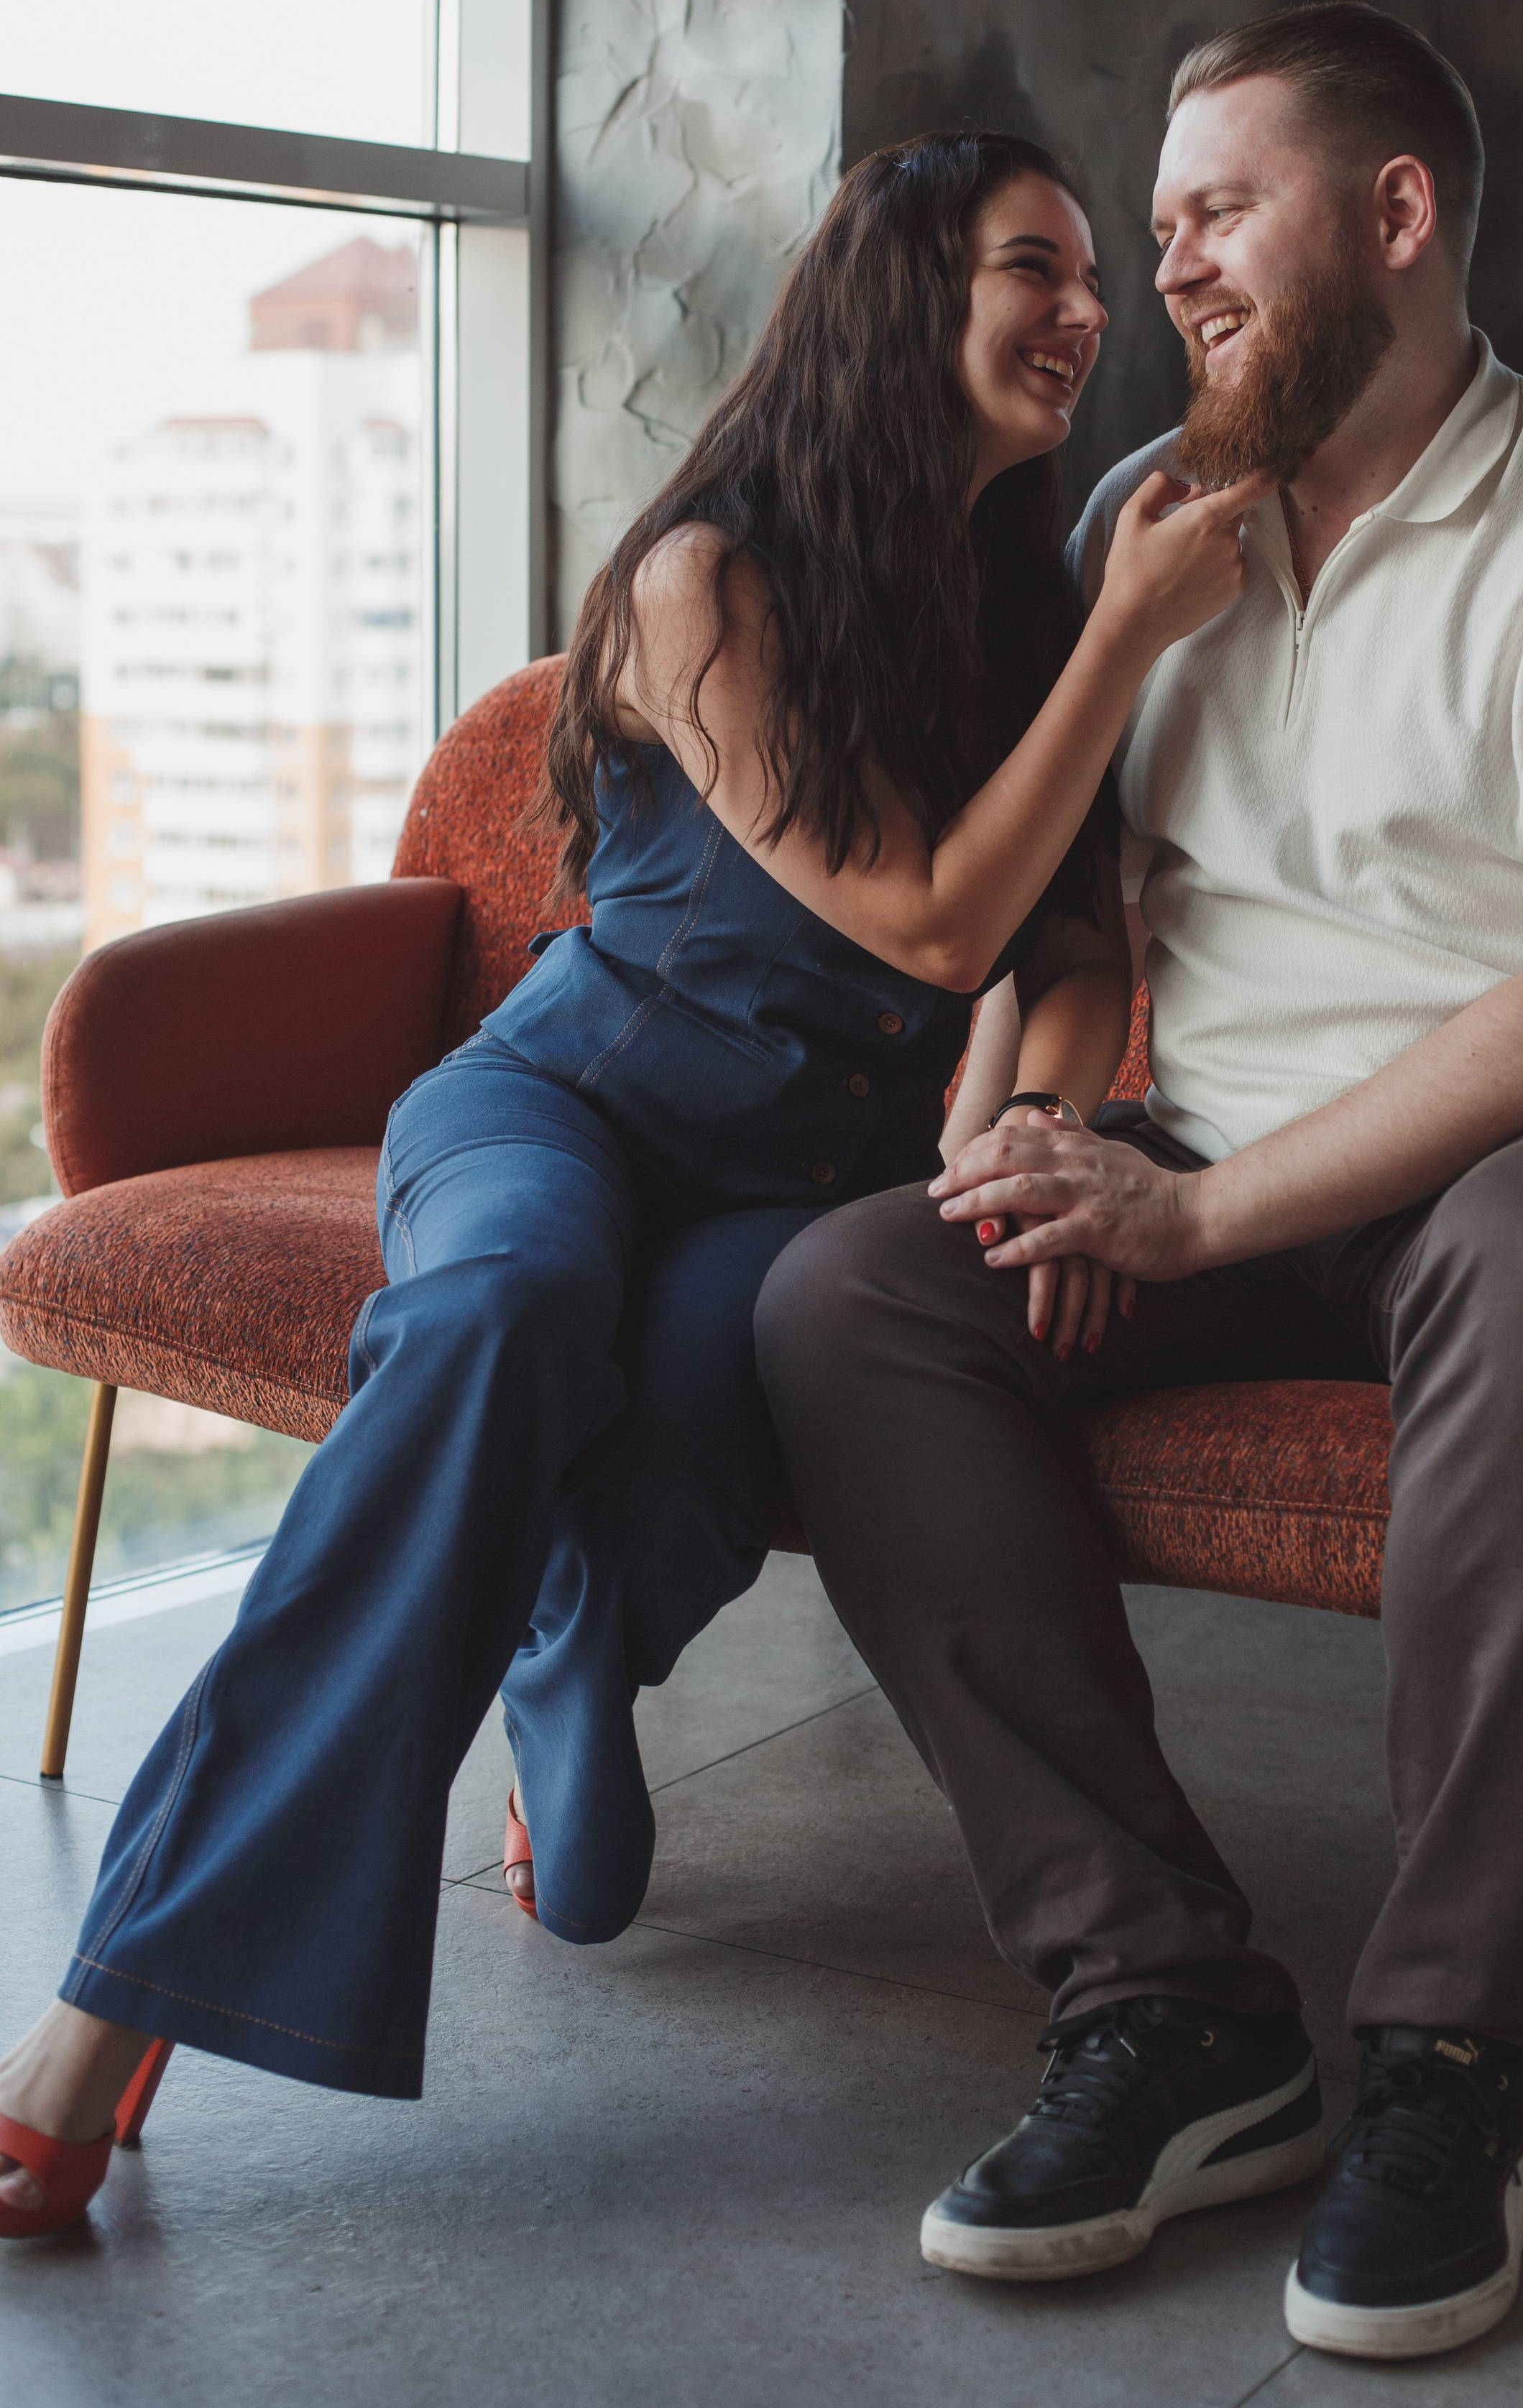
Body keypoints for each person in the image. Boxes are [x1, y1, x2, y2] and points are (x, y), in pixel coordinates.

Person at [0, 130, 1274, 2239]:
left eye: (1090, 280)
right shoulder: (710, 579)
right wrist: (1133, 637)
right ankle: (117, 2003)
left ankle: (573, 1641)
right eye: (1031, 270)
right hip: (561, 1116)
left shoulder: (1017, 605)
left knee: (713, 1394)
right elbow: (933, 921)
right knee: (499, 1320)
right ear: (895, 298)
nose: (1086, 315)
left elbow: (1056, 958)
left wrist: (1029, 1130)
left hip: (797, 1193)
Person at [754, 5, 1523, 2361]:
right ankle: (1169, 2010)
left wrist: (1199, 1222)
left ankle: (1458, 2052)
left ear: (1400, 214)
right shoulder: (1148, 525)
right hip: (1216, 1144)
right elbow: (1086, 920)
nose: (1173, 270)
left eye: (1217, 210)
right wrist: (1022, 1116)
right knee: (855, 1297)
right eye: (1159, 231)